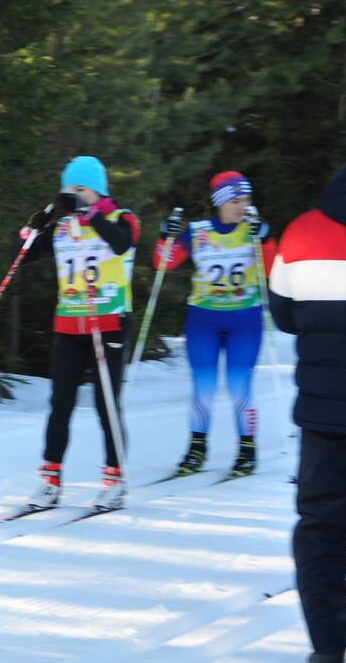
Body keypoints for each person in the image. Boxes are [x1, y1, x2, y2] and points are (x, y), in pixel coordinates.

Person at [268, 135, 346, 663]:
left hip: (328, 415)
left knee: (322, 530)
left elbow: (286, 315)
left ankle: (328, 648)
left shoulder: (303, 229)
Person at [20, 156, 140, 512]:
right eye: (68, 190)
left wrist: (92, 215)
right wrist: (33, 229)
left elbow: (122, 244)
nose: (73, 196)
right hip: (70, 325)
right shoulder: (61, 228)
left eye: (80, 189)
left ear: (98, 190)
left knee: (107, 406)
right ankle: (50, 480)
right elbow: (21, 257)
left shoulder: (121, 217)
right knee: (60, 405)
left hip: (108, 323)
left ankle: (114, 479)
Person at [153, 171, 278, 477]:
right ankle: (197, 447)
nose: (242, 206)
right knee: (203, 386)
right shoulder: (198, 232)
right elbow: (163, 263)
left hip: (244, 319)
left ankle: (247, 449)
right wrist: (164, 235)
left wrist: (264, 236)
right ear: (220, 202)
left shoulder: (253, 231)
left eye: (246, 200)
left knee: (239, 385)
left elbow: (274, 267)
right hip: (203, 320)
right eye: (235, 200)